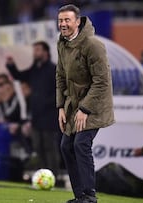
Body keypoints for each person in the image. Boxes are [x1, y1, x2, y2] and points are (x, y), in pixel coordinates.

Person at [56, 4, 114, 203]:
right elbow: (60, 76)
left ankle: (90, 196)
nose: (63, 24)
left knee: (81, 144)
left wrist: (84, 109)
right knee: (66, 146)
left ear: (78, 22)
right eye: (60, 20)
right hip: (73, 105)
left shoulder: (93, 45)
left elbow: (102, 81)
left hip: (95, 105)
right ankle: (79, 195)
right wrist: (61, 107)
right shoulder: (62, 43)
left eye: (67, 20)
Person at [6, 41, 60, 176]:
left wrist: (47, 103)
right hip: (36, 116)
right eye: (34, 50)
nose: (35, 53)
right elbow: (20, 76)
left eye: (38, 50)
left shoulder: (54, 70)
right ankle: (42, 175)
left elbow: (60, 92)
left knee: (49, 147)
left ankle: (54, 176)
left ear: (45, 52)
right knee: (38, 147)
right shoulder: (35, 69)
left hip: (49, 116)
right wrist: (11, 66)